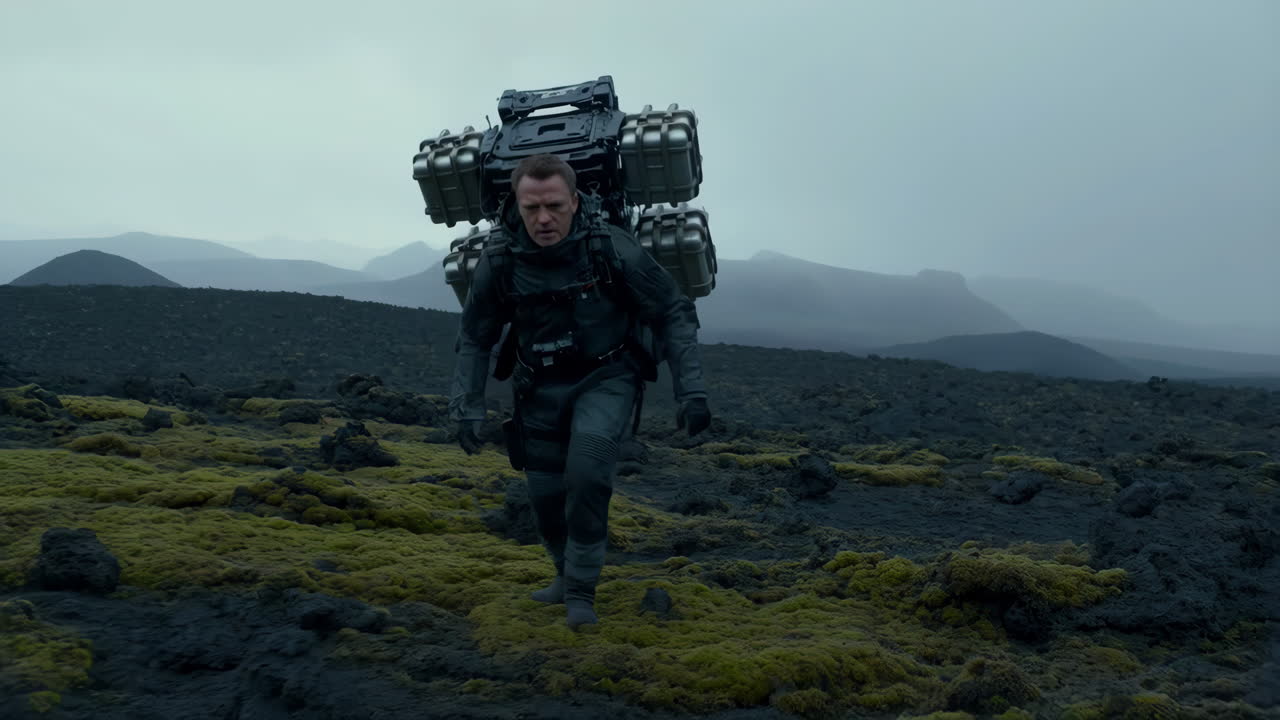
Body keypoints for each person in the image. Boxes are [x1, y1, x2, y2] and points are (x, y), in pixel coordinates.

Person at [449, 153, 711, 630]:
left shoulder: (610, 247)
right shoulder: (501, 258)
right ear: (516, 204)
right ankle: (562, 573)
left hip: (606, 377)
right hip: (538, 385)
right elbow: (475, 335)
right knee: (545, 495)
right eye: (531, 208)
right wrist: (465, 405)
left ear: (574, 200)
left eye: (553, 205)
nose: (543, 219)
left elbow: (673, 311)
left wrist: (691, 391)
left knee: (587, 472)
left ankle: (581, 593)